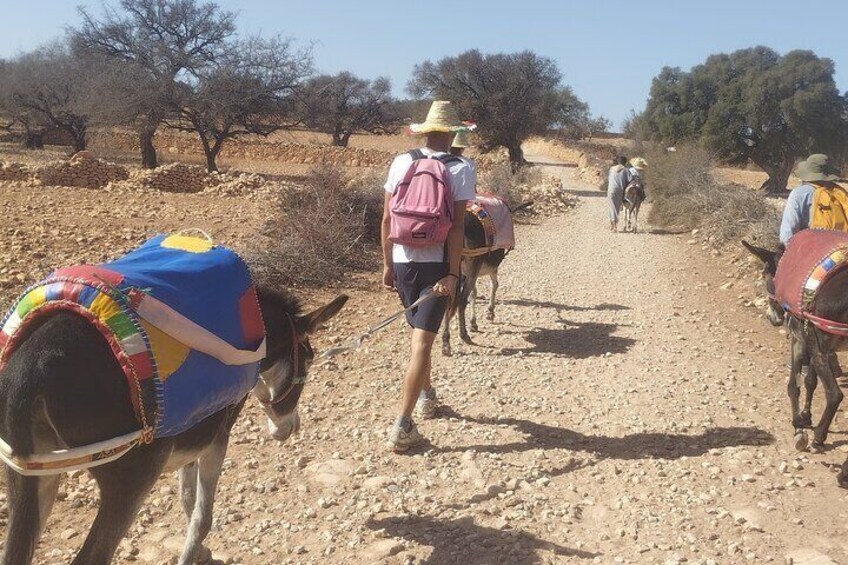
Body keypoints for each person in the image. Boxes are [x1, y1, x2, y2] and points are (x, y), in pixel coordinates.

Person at [381, 100, 476, 452]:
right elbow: (457, 228)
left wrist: (388, 264)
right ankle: (403, 424)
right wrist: (453, 273)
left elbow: (387, 220)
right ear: (451, 132)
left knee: (421, 336)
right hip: (437, 265)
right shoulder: (461, 167)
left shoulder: (402, 161)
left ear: (425, 131)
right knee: (422, 343)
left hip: (403, 261)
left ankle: (429, 396)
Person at [780, 154, 845, 245]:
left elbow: (787, 235)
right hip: (840, 250)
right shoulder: (840, 193)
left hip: (812, 251)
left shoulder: (799, 194)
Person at [607, 155, 631, 231]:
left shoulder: (611, 169)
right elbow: (630, 180)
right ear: (625, 162)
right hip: (620, 190)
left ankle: (613, 222)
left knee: (612, 206)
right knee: (616, 206)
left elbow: (609, 179)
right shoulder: (626, 170)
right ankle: (614, 222)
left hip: (611, 189)